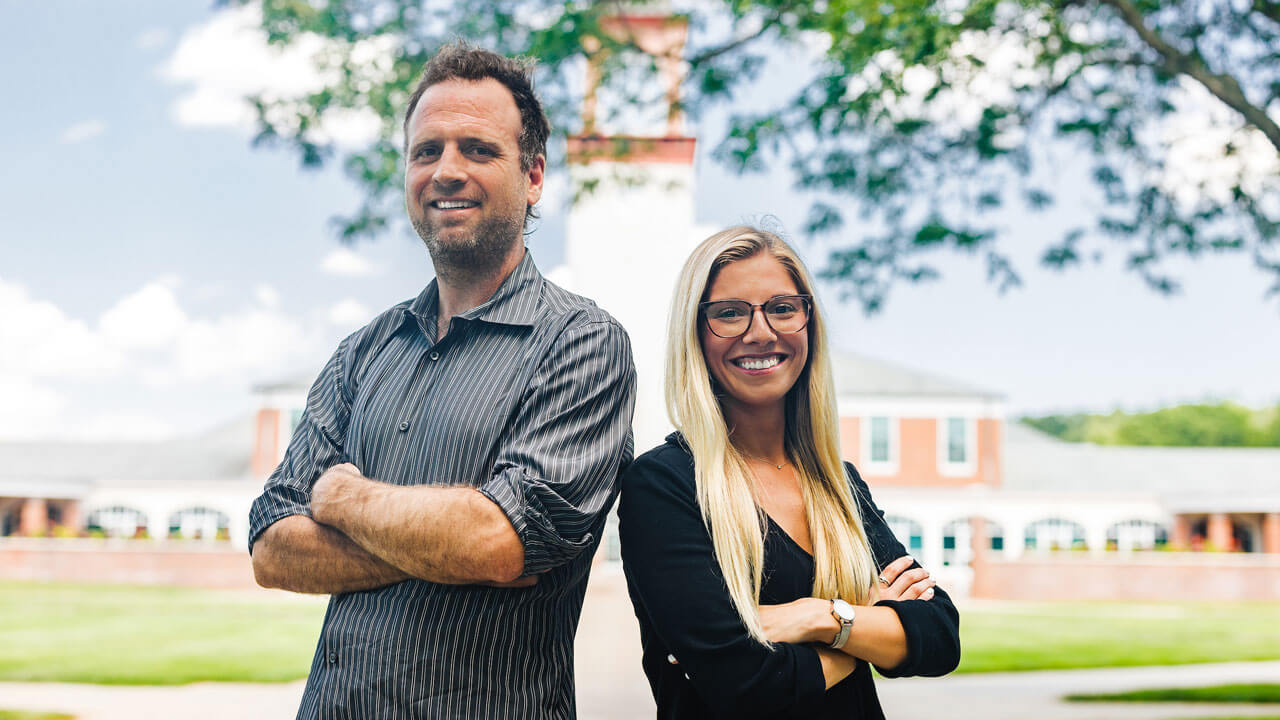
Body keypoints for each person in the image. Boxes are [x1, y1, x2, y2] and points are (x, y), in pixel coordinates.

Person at [248, 43, 637, 719]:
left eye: (478, 150)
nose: (446, 171)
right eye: (426, 151)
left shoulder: (581, 343)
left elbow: (497, 541)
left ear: (535, 173)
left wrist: (340, 498)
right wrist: (440, 543)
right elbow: (273, 548)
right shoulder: (363, 352)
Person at [618, 226, 960, 719]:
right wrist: (866, 623)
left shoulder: (838, 484)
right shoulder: (664, 484)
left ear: (808, 324)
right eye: (730, 313)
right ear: (695, 335)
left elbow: (939, 636)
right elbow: (745, 685)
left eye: (781, 308)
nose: (760, 333)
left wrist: (815, 618)